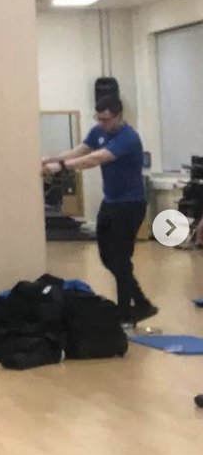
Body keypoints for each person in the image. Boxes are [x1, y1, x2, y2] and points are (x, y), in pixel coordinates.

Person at [42, 96, 157, 326]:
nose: (102, 124)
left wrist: (62, 167)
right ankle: (142, 303)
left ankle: (126, 315)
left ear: (118, 116)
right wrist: (50, 159)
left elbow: (95, 159)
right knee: (107, 257)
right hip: (111, 202)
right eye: (99, 119)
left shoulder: (128, 138)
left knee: (121, 259)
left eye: (106, 120)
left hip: (130, 205)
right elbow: (81, 151)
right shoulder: (98, 132)